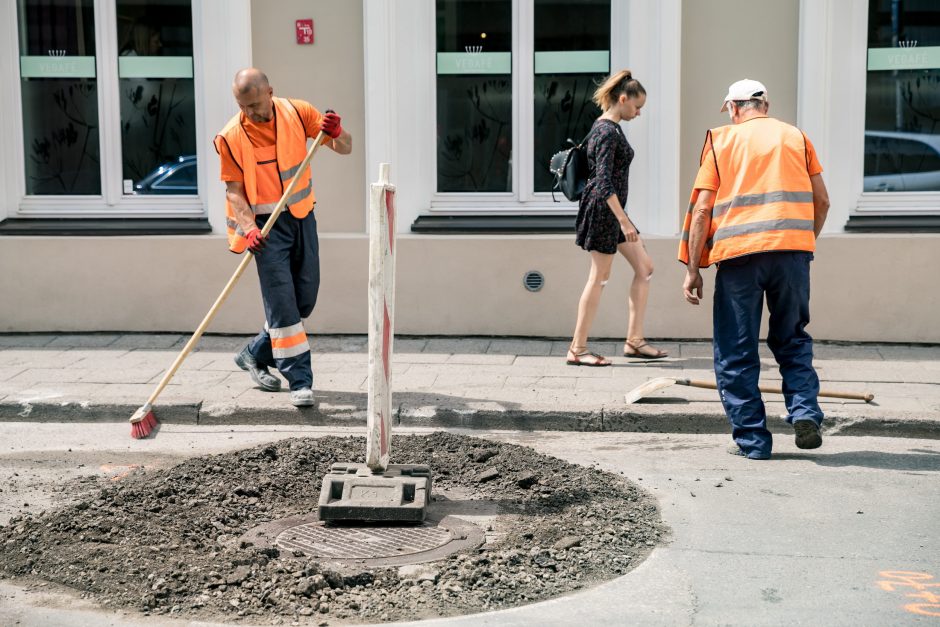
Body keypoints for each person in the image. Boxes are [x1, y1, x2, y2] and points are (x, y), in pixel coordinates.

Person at [678, 78, 831, 459]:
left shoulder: (721, 140)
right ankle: (804, 412)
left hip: (739, 258)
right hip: (791, 255)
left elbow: (701, 210)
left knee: (736, 348)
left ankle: (753, 442)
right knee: (793, 339)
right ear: (765, 104)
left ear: (732, 108)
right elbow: (822, 201)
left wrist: (694, 268)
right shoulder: (796, 137)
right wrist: (802, 243)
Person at [213, 68, 351, 407]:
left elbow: (345, 147)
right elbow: (234, 191)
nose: (252, 113)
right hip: (265, 231)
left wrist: (336, 132)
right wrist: (249, 229)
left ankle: (253, 353)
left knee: (304, 299)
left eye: (257, 104)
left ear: (271, 92)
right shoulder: (230, 136)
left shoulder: (298, 112)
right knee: (284, 307)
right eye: (244, 107)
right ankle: (300, 380)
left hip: (302, 217)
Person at [567, 69, 668, 367]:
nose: (638, 113)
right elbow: (602, 182)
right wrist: (624, 221)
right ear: (622, 99)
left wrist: (623, 219)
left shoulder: (611, 128)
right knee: (598, 279)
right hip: (604, 213)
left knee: (645, 268)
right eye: (637, 107)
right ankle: (578, 348)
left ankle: (635, 341)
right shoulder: (606, 132)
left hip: (613, 213)